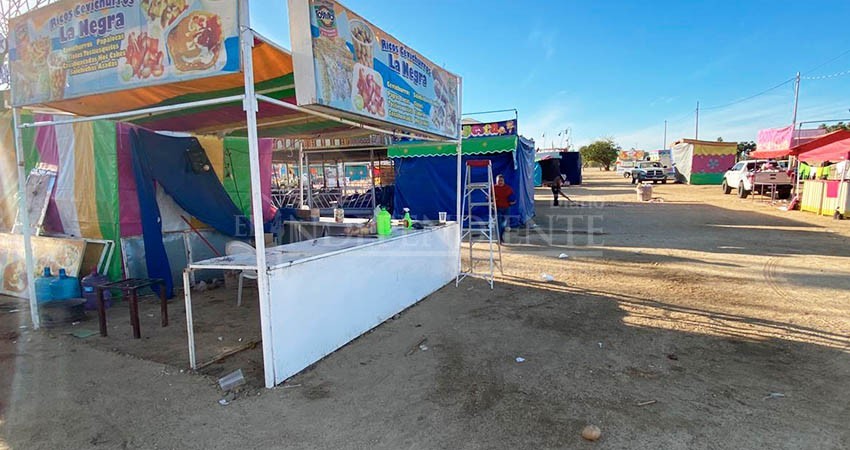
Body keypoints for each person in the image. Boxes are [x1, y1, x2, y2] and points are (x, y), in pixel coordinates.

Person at [492, 174, 515, 244]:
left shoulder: (508, 188)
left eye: (501, 181)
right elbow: (488, 198)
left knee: (504, 225)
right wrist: (492, 199)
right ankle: (499, 239)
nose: (500, 182)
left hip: (506, 208)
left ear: (504, 181)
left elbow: (513, 199)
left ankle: (500, 237)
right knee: (498, 224)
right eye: (499, 181)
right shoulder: (493, 188)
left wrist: (512, 202)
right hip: (497, 208)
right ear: (496, 181)